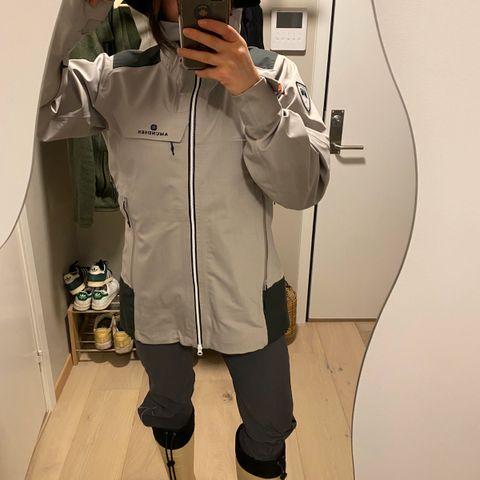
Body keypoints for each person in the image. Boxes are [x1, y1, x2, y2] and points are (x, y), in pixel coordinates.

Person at [37, 0, 331, 478]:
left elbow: (303, 189)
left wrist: (252, 93)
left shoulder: (275, 74)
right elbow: (29, 105)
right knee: (168, 413)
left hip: (249, 297)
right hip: (156, 296)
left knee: (270, 425)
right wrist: (79, 8)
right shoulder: (115, 78)